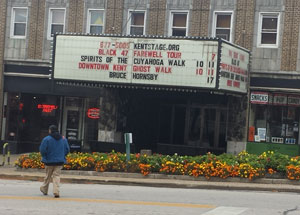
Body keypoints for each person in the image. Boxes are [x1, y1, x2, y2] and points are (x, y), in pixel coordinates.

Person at [39, 125, 70, 198]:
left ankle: (44, 189)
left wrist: (44, 156)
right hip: (59, 161)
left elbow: (42, 150)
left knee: (48, 176)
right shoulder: (63, 139)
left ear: (50, 130)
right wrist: (62, 155)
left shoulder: (47, 139)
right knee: (56, 176)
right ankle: (56, 191)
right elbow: (67, 149)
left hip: (49, 161)